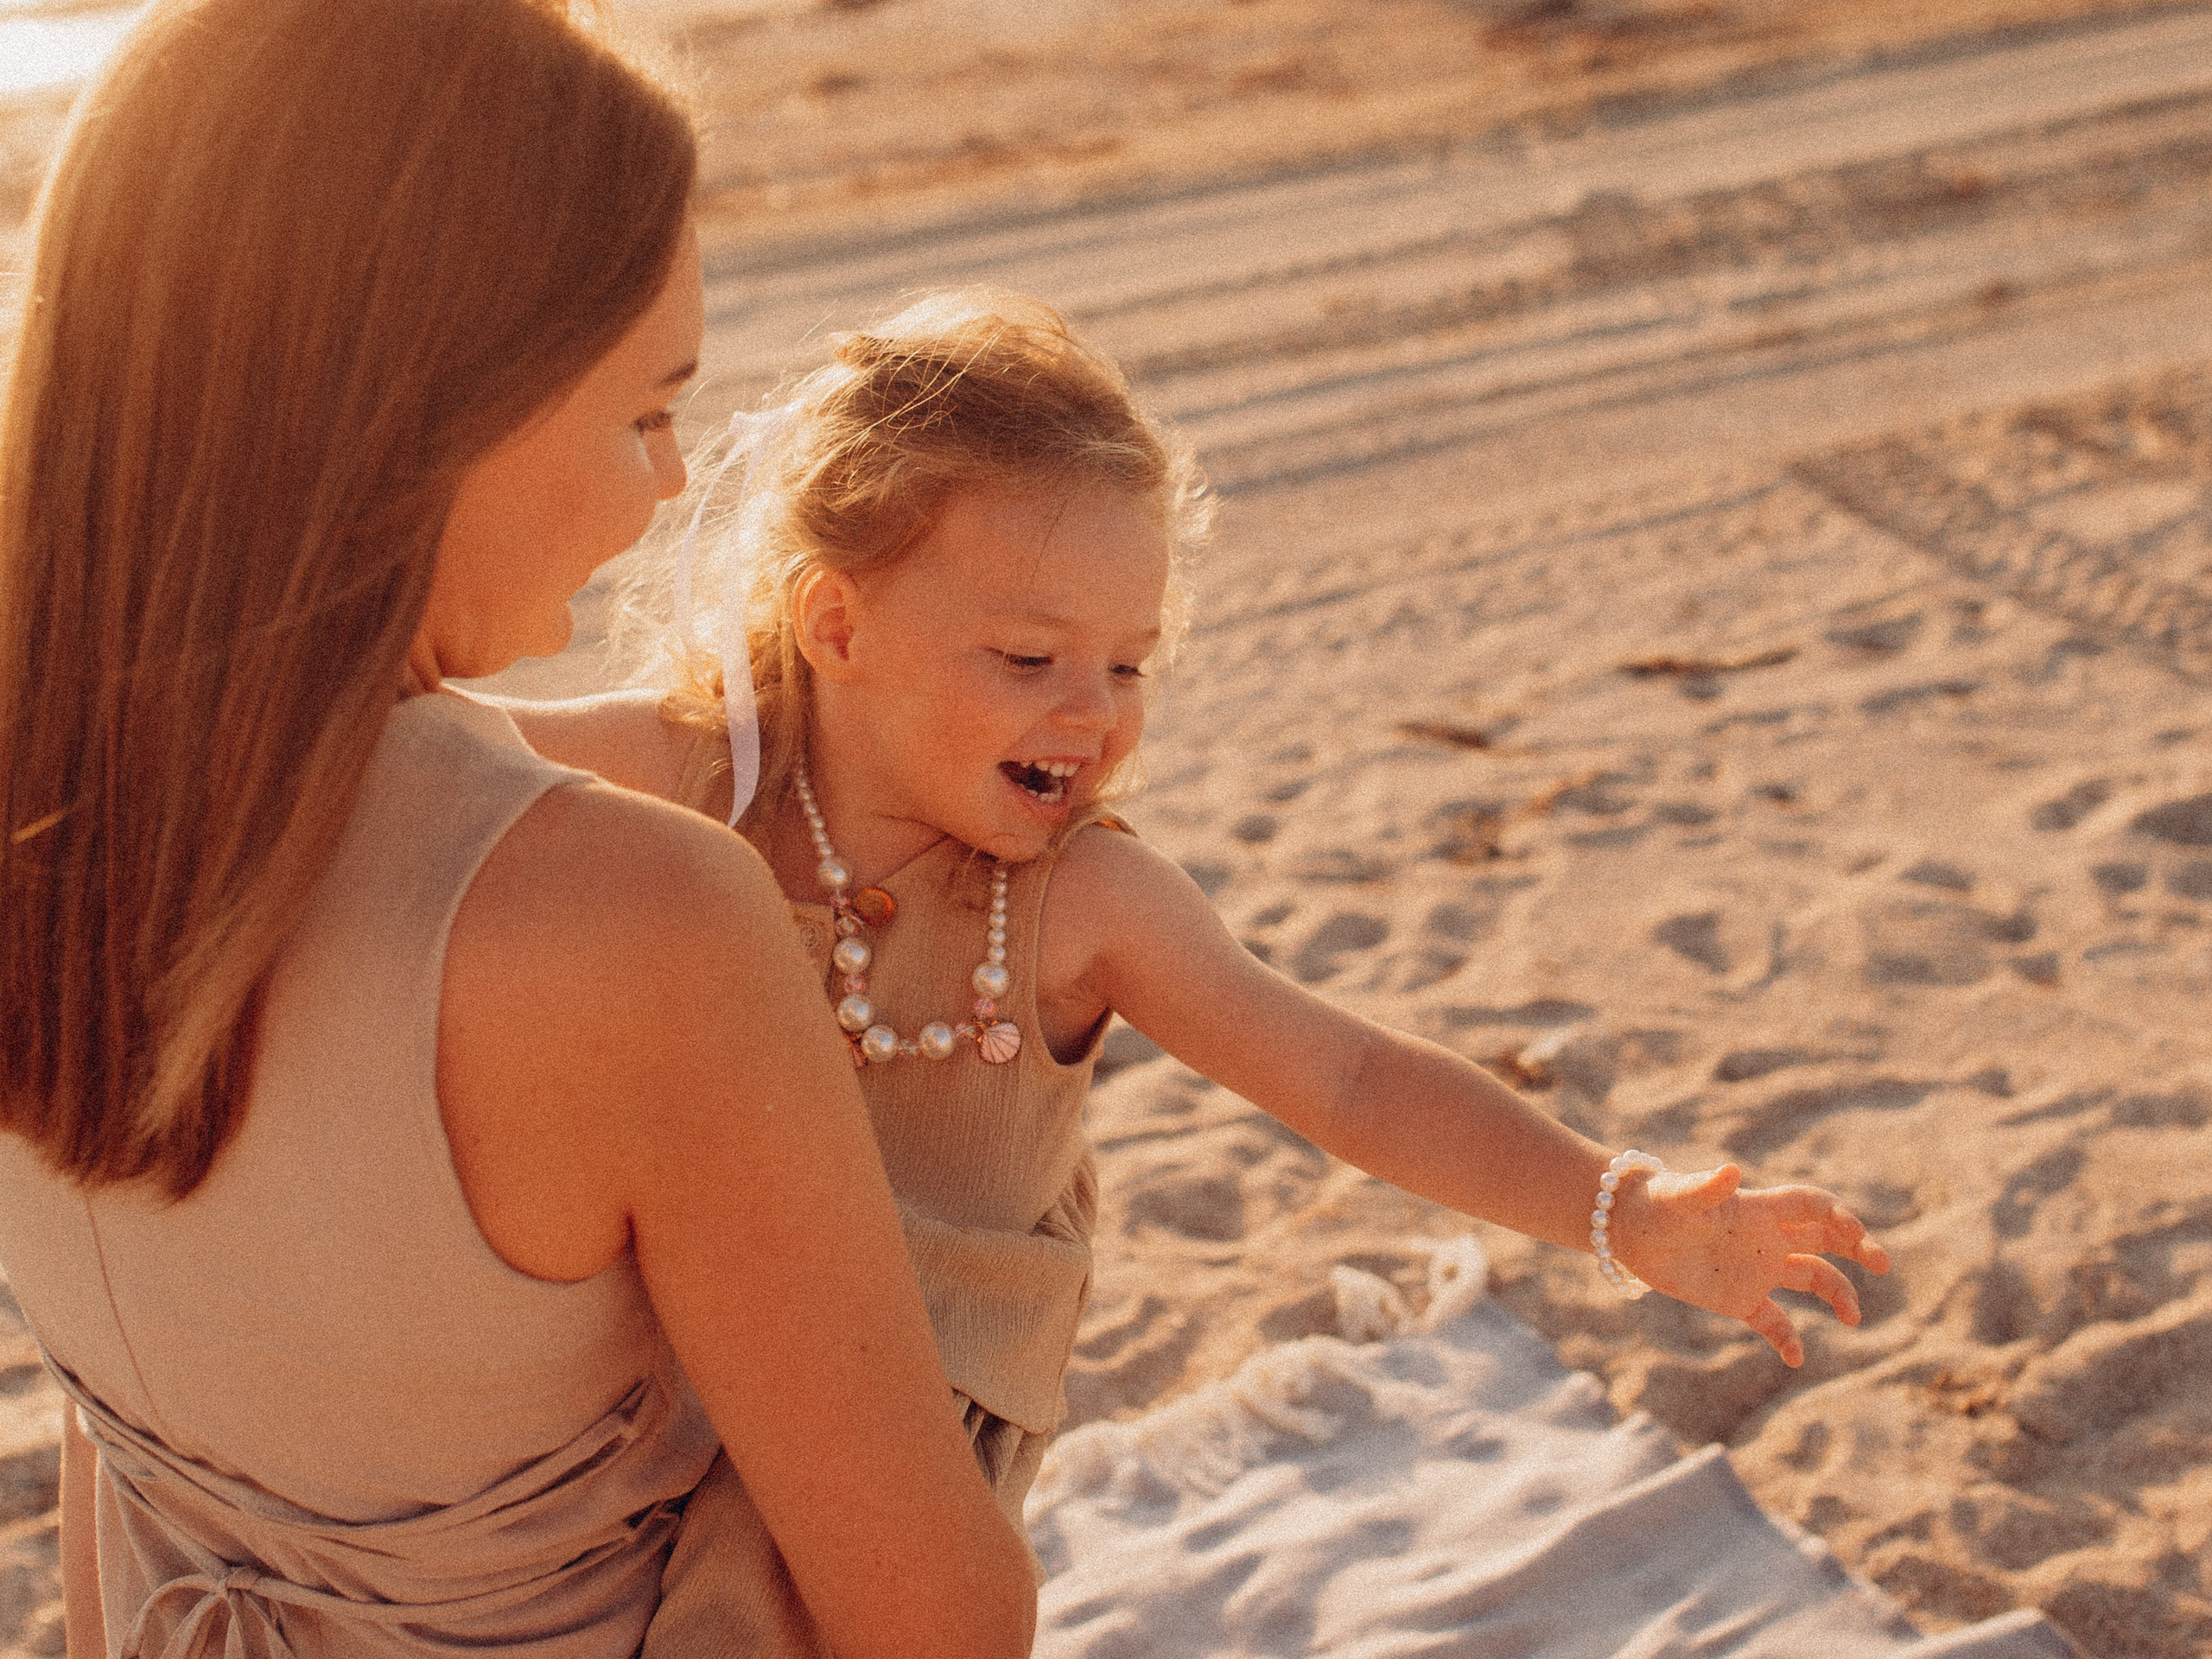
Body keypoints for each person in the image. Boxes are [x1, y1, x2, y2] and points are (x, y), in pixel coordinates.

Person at [500, 289, 1894, 1655]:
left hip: (906, 1416)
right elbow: (414, 744)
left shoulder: (1079, 904)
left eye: (1129, 666)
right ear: (839, 625)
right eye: (1033, 656)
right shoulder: (694, 769)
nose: (1092, 714)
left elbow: (1350, 1079)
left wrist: (1622, 1207)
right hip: (667, 1348)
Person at [0, 6, 1034, 1657]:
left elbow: (116, 1453)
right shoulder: (621, 924)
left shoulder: (53, 826)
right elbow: (940, 1618)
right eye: (645, 412)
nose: (666, 489)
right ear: (417, 407)